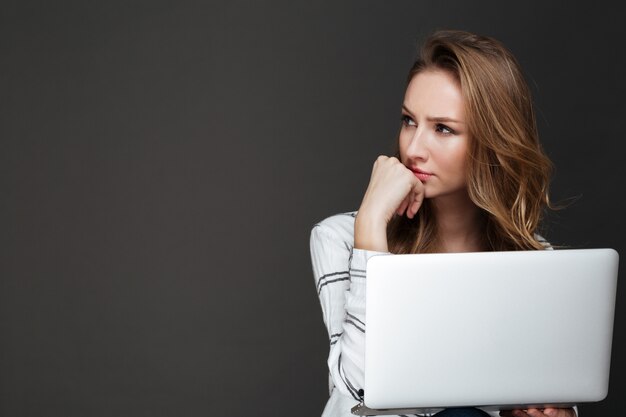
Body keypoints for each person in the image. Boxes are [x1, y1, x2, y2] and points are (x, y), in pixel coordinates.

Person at [310, 30, 577, 417]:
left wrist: (552, 411)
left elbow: (551, 393)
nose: (414, 149)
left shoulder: (534, 262)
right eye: (408, 121)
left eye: (443, 128)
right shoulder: (341, 238)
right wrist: (370, 229)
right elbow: (356, 390)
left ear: (491, 143)